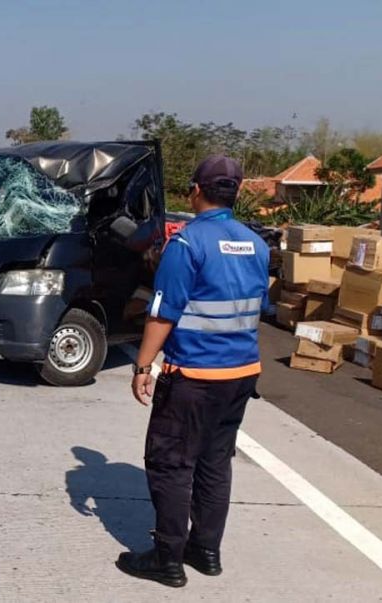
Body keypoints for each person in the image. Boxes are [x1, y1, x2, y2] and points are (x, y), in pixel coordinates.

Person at [117, 155, 269, 588]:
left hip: (194, 376)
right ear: (235, 193)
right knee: (215, 463)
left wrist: (143, 365)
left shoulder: (186, 244)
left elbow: (163, 313)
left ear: (196, 191)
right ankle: (206, 550)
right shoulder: (255, 244)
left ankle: (167, 558)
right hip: (241, 374)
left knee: (170, 463)